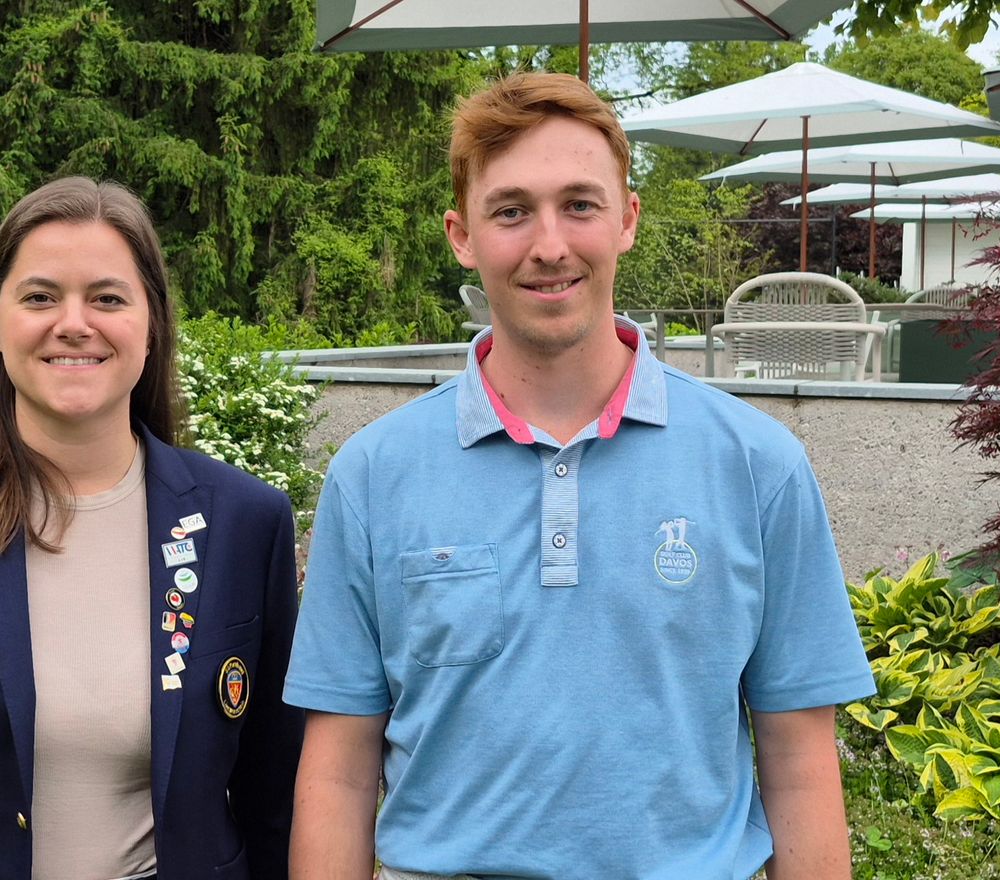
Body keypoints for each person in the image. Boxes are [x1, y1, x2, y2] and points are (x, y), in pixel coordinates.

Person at [283, 73, 875, 880]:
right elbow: (340, 771)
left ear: (627, 219)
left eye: (580, 205)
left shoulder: (757, 465)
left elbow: (799, 760)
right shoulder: (373, 476)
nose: (550, 244)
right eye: (511, 211)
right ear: (461, 234)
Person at [0, 177, 303, 880]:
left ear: (152, 324)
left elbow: (276, 798)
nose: (73, 323)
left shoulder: (244, 523)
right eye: (39, 296)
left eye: (107, 298)